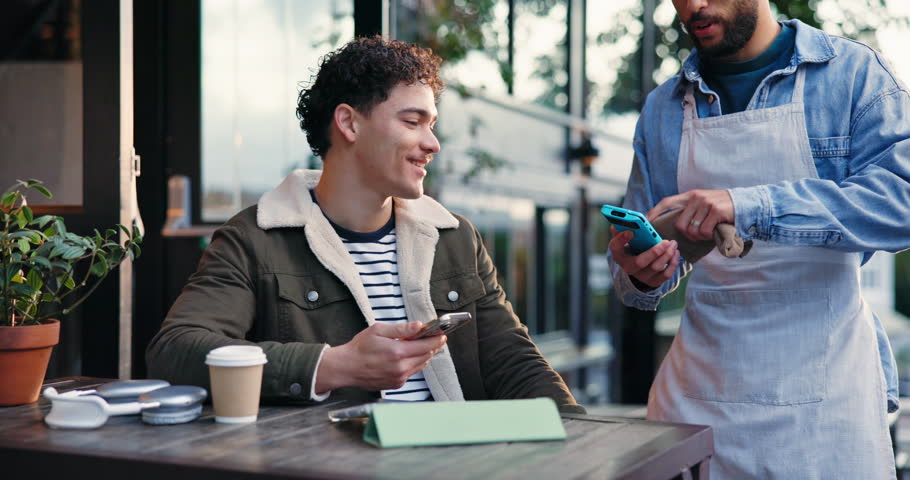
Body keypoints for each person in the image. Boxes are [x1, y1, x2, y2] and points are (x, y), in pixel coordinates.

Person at [146, 37, 583, 414]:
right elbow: (175, 351)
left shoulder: (455, 237)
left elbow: (515, 363)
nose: (432, 143)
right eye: (412, 122)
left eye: (431, 125)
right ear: (349, 122)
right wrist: (334, 366)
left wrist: (580, 440)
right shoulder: (254, 238)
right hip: (329, 464)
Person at [608, 0, 910, 478]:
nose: (693, 6)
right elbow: (636, 284)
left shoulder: (853, 74)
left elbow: (903, 203)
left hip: (826, 414)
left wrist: (749, 206)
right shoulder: (663, 107)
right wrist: (642, 270)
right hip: (695, 405)